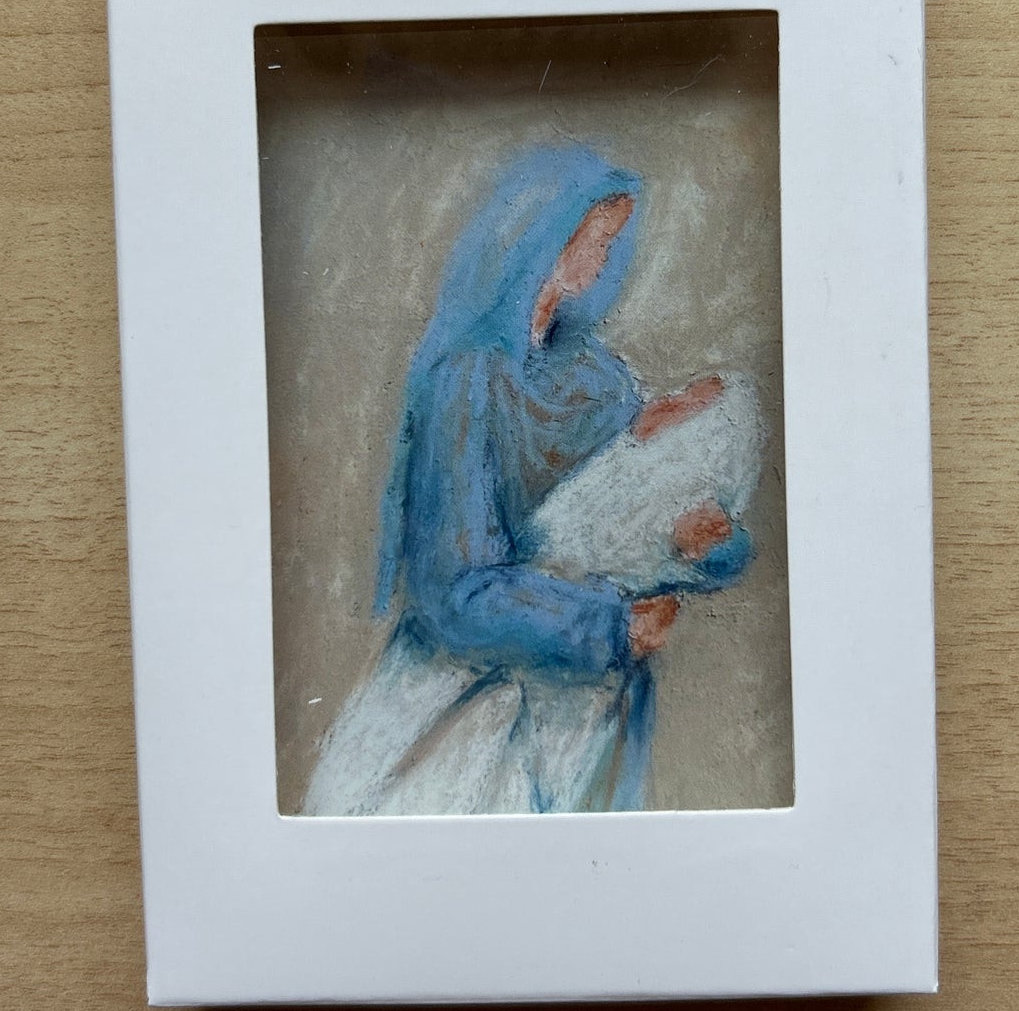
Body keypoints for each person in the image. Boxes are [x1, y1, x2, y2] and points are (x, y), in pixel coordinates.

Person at [302, 144, 754, 816]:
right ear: (541, 236)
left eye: (611, 241)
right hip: (470, 704)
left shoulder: (598, 379)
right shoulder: (465, 385)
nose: (603, 259)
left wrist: (712, 547)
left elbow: (632, 505)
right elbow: (453, 590)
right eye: (594, 237)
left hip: (589, 718)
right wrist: (609, 629)